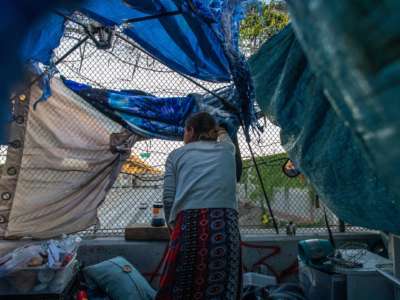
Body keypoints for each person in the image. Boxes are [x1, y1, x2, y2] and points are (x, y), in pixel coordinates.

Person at [156, 112, 242, 300]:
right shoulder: (227, 149)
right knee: (223, 286)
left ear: (190, 130)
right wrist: (219, 128)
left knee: (180, 285)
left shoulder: (176, 155)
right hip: (226, 224)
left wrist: (173, 227)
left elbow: (169, 197)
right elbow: (225, 135)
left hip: (189, 224)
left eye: (185, 131)